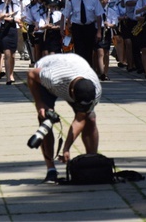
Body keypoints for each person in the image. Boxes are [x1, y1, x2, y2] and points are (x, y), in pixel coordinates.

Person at [26, 53, 102, 183]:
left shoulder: (95, 89)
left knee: (90, 118)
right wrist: (39, 103)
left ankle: (92, 162)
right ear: (71, 93)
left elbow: (79, 120)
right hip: (49, 71)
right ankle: (51, 170)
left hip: (75, 65)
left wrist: (66, 148)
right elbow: (31, 74)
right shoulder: (51, 78)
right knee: (45, 118)